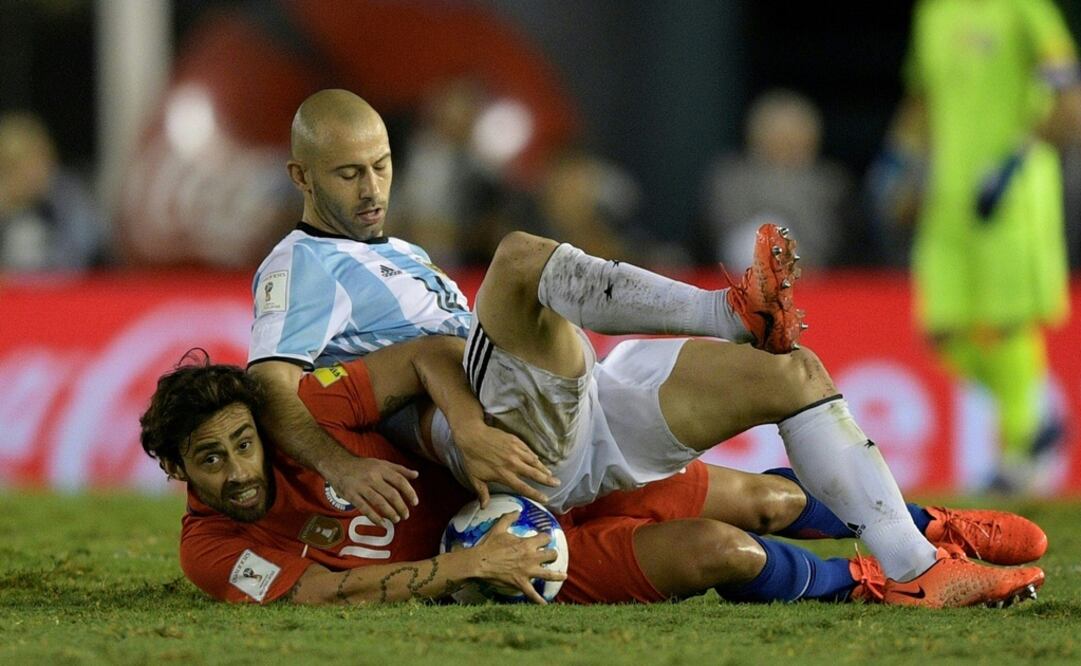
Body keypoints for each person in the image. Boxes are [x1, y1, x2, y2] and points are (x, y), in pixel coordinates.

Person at [247, 89, 1043, 607]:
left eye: (381, 167)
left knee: (790, 373)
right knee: (522, 258)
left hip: (578, 409)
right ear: (301, 176)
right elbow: (270, 386)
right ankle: (729, 310)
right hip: (502, 442)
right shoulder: (297, 265)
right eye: (348, 173)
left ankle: (914, 569)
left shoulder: (403, 254)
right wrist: (343, 465)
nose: (372, 188)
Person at [140, 344, 1046, 606]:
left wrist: (464, 428)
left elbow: (423, 355)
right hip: (521, 558)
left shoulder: (308, 416)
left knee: (767, 498)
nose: (235, 471)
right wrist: (463, 570)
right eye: (208, 461)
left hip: (540, 479)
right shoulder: (214, 548)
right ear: (179, 471)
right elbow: (318, 598)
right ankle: (870, 584)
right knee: (725, 552)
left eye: (240, 445)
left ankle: (929, 530)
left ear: (260, 429)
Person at [891, 0, 1081, 492]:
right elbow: (921, 102)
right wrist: (899, 165)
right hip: (946, 199)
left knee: (1005, 322)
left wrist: (1017, 162)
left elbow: (1068, 103)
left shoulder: (1027, 11)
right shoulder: (932, 15)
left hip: (1010, 198)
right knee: (942, 329)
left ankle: (1019, 451)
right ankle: (1037, 421)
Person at [701, 89, 855, 270]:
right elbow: (721, 229)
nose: (785, 142)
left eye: (793, 135)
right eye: (777, 134)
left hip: (812, 275)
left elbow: (832, 238)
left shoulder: (830, 181)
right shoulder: (730, 177)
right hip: (739, 274)